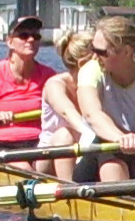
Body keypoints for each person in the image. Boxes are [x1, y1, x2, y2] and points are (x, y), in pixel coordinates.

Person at [75, 16, 135, 183]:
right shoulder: (92, 70)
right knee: (110, 155)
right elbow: (92, 114)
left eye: (101, 52)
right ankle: (123, 201)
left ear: (127, 52)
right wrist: (119, 138)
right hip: (102, 151)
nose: (94, 56)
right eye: (93, 49)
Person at [0, 15, 55, 147]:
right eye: (23, 35)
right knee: (26, 169)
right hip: (3, 144)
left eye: (36, 36)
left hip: (40, 143)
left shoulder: (49, 76)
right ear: (10, 42)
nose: (30, 40)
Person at [37, 30, 95, 180]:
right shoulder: (55, 85)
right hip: (49, 156)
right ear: (83, 63)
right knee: (65, 134)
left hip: (86, 150)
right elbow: (68, 113)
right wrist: (91, 135)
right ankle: (69, 188)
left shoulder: (100, 83)